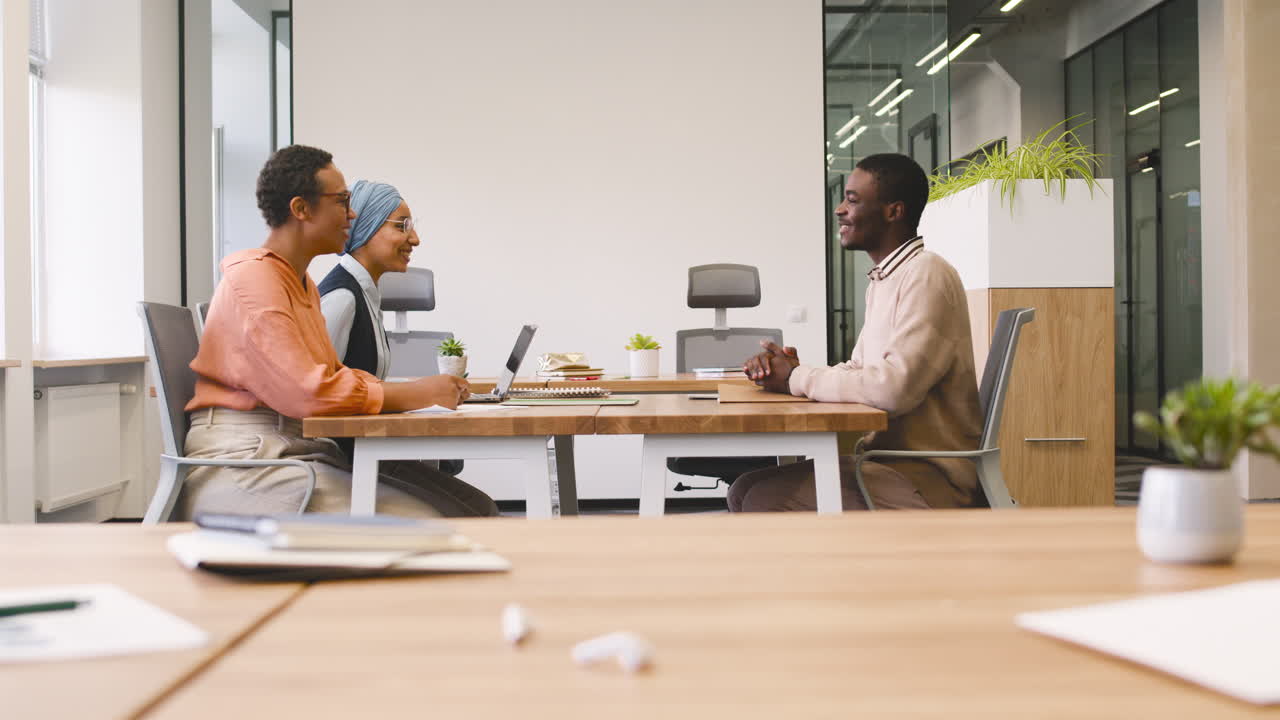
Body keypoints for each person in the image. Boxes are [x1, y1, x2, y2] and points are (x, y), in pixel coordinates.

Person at [179, 144, 482, 519]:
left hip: (295, 449)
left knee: (475, 510)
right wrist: (416, 393)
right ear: (301, 209)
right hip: (249, 461)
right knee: (433, 525)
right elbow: (308, 391)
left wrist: (414, 392)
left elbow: (330, 376)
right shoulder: (256, 280)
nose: (351, 214)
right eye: (341, 201)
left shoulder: (300, 283)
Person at [734, 153, 983, 512]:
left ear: (893, 212)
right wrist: (792, 372)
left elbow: (892, 388)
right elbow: (859, 368)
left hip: (928, 476)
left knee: (762, 499)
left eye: (852, 200)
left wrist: (799, 379)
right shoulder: (885, 278)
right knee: (744, 488)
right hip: (885, 461)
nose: (839, 209)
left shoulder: (926, 275)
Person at [316, 179, 498, 516]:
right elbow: (319, 398)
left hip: (367, 450)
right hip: (344, 462)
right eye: (403, 226)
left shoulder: (366, 293)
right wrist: (415, 394)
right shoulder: (341, 299)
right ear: (366, 226)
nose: (415, 238)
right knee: (476, 514)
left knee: (481, 508)